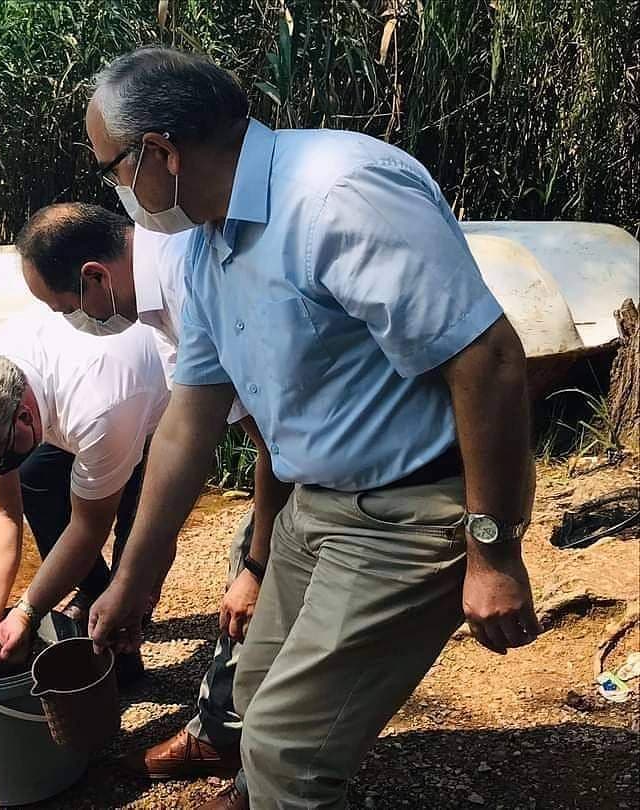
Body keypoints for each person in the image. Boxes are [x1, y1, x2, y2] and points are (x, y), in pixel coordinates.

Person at [84, 48, 539, 810]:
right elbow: (189, 420)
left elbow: (487, 359)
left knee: (289, 751)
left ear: (160, 151)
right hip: (315, 507)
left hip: (412, 509)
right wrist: (134, 578)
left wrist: (492, 551)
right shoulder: (203, 247)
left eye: (113, 170)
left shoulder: (338, 193)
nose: (118, 192)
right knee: (252, 697)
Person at [15, 202, 294, 778]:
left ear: (95, 276)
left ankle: (235, 744)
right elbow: (181, 443)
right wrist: (135, 583)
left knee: (254, 595)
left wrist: (259, 567)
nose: (74, 323)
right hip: (297, 448)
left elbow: (273, 444)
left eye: (69, 309)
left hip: (335, 460)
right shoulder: (154, 284)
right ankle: (226, 729)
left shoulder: (186, 292)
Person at [0, 309, 169, 674]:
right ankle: (93, 589)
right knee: (34, 477)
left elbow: (89, 526)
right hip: (74, 401)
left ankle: (124, 622)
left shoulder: (99, 408)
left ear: (22, 416)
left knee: (140, 530)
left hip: (153, 409)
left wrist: (26, 613)